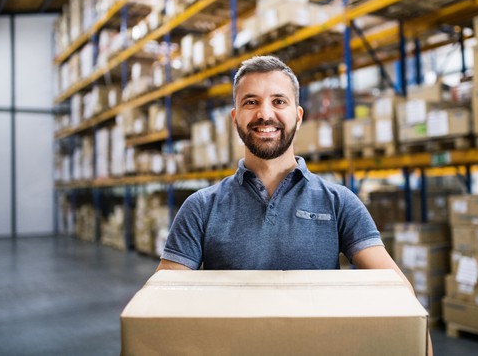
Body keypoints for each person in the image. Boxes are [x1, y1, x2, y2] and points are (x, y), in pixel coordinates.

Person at [157, 55, 432, 353]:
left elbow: (398, 293)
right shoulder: (201, 207)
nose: (265, 114)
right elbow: (161, 302)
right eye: (251, 102)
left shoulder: (339, 203)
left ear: (299, 116)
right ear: (235, 118)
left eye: (279, 102)